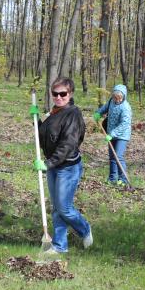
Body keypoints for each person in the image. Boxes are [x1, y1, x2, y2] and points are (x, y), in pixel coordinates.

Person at [32, 77, 93, 255]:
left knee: (64, 207)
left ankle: (84, 229)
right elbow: (46, 135)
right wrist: (37, 120)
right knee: (57, 208)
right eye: (55, 94)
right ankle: (60, 245)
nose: (59, 97)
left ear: (70, 93)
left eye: (63, 94)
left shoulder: (73, 114)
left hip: (67, 167)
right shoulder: (55, 112)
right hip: (53, 166)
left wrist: (48, 163)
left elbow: (67, 144)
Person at [94, 84, 132, 186]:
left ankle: (123, 179)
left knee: (118, 156)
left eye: (119, 98)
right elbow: (104, 108)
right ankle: (112, 178)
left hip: (122, 135)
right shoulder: (111, 101)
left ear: (123, 97)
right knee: (112, 157)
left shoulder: (125, 108)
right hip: (111, 134)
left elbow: (125, 124)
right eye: (115, 97)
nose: (117, 100)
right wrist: (98, 113)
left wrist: (113, 134)